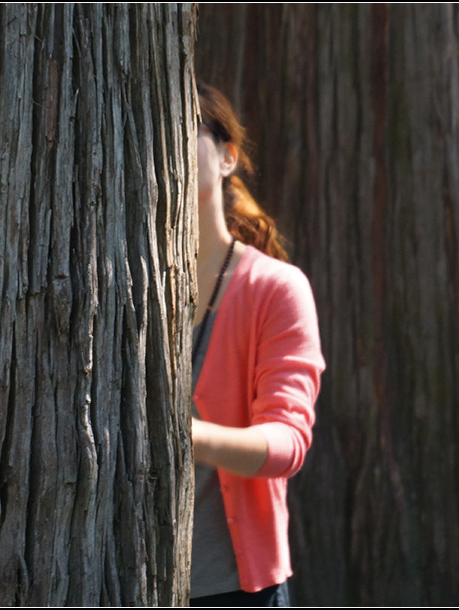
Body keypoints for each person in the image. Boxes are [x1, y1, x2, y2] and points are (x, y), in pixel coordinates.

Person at [190, 83, 325, 607]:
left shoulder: (276, 289)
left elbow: (287, 442)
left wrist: (187, 437)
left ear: (228, 157)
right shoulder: (118, 285)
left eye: (185, 129)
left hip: (232, 591)